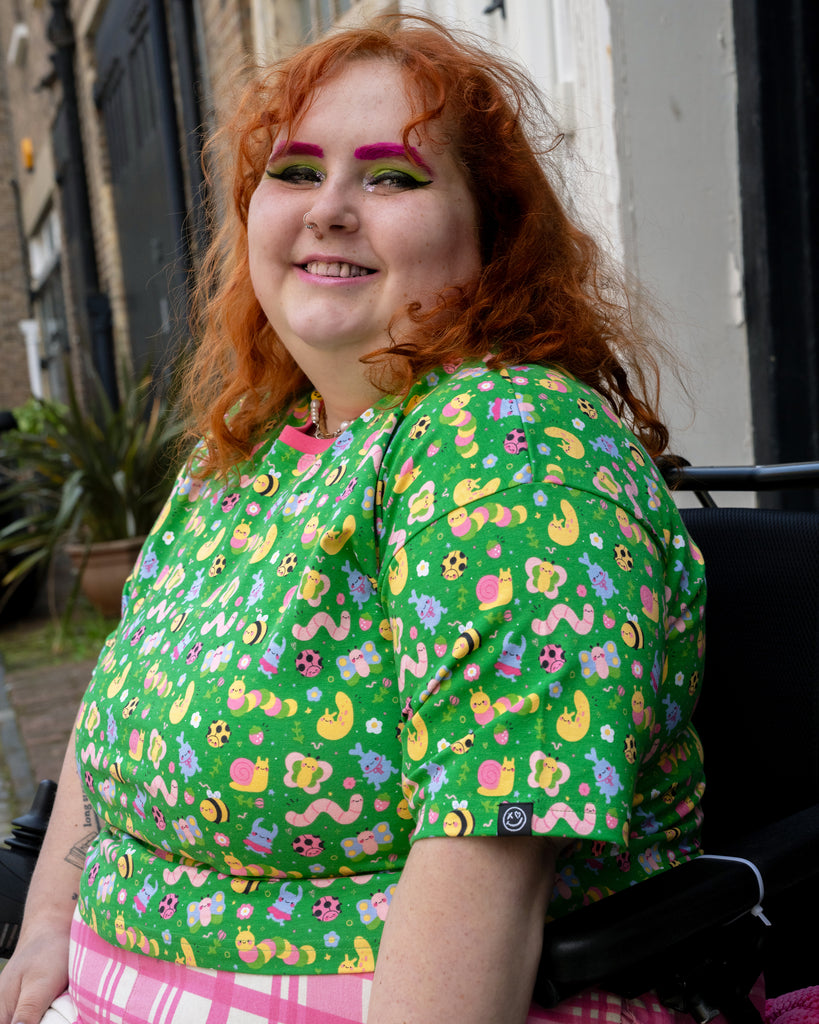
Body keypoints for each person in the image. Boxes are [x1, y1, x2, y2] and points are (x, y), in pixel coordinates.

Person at [0, 15, 708, 1024]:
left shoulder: (507, 442)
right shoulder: (240, 456)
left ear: (489, 236)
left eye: (392, 177)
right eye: (295, 171)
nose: (331, 208)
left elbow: (489, 847)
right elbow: (113, 710)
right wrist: (43, 933)